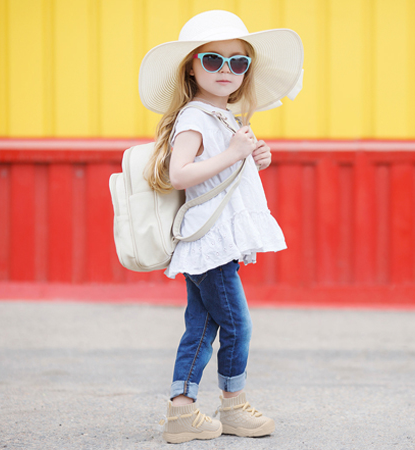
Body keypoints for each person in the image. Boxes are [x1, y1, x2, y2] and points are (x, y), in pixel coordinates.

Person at [138, 10, 303, 444]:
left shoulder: (224, 116)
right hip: (208, 240)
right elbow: (181, 174)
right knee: (236, 324)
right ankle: (233, 404)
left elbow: (225, 174)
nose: (226, 70)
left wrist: (253, 157)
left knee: (203, 324)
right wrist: (233, 153)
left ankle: (182, 410)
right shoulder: (194, 117)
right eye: (212, 60)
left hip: (216, 237)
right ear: (191, 68)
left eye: (238, 62)